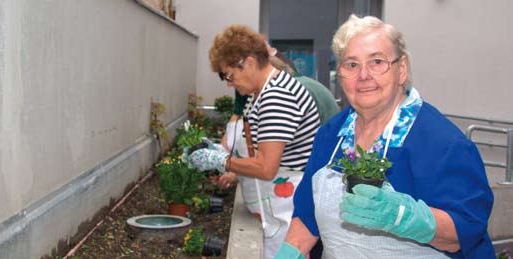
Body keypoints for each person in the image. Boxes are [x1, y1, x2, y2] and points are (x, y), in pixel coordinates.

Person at [275, 14, 495, 258]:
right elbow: (307, 218)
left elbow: (464, 230)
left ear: (401, 70)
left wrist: (404, 217)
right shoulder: (332, 134)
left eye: (377, 62)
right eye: (351, 64)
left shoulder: (441, 141)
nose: (363, 75)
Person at [185, 24, 321, 259]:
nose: (229, 83)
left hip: (289, 217)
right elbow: (273, 155)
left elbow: (267, 168)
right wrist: (228, 164)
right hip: (275, 214)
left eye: (229, 75)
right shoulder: (259, 94)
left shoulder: (277, 96)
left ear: (248, 63)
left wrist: (222, 160)